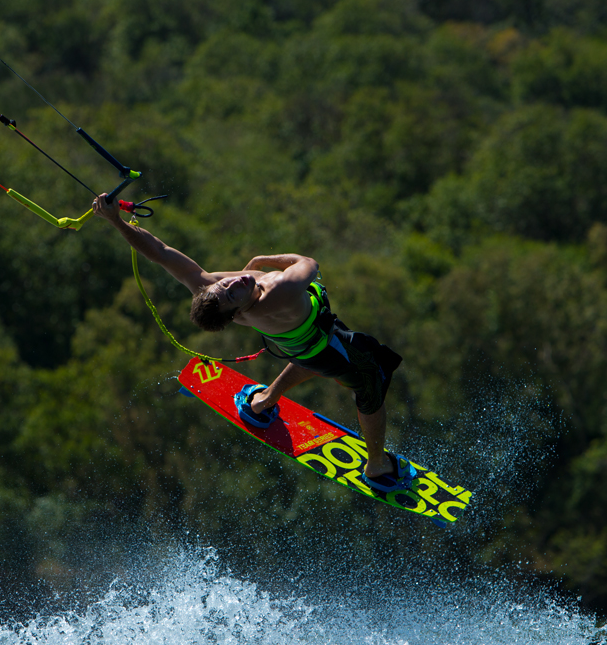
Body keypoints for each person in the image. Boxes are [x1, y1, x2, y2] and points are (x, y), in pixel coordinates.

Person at [92, 194, 408, 491]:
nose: (235, 282)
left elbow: (159, 253)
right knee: (371, 380)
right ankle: (377, 466)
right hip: (323, 343)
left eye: (225, 284)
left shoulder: (211, 288)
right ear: (236, 312)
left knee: (310, 359)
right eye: (232, 294)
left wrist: (116, 221)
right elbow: (309, 262)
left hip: (293, 343)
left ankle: (262, 403)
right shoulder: (279, 293)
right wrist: (264, 259)